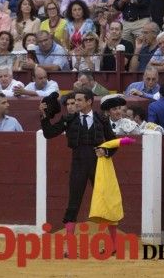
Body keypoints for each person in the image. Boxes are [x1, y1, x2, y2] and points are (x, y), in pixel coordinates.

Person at [40, 89, 117, 253]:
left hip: (99, 164)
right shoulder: (70, 119)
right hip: (78, 163)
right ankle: (69, 246)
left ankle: (113, 244)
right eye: (75, 101)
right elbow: (49, 133)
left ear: (89, 101)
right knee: (73, 204)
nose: (76, 104)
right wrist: (44, 116)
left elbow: (113, 141)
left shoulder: (101, 119)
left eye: (79, 100)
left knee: (106, 203)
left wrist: (107, 151)